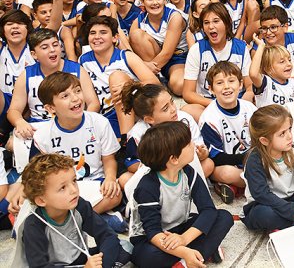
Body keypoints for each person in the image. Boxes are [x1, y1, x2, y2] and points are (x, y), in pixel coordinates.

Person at [130, 121, 233, 267]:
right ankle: (202, 252)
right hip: (151, 239)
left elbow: (208, 210)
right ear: (174, 159)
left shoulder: (188, 172)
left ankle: (185, 262)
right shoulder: (147, 187)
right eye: (188, 143)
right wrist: (183, 251)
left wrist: (184, 239)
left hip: (180, 228)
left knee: (224, 217)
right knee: (146, 257)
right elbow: (152, 232)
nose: (193, 144)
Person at [29, 72, 123, 222]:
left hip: (95, 182)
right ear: (51, 108)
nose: (75, 98)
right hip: (63, 187)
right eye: (65, 96)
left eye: (77, 90)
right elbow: (38, 174)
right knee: (40, 201)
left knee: (115, 195)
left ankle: (73, 221)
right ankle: (95, 219)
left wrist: (110, 178)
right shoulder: (42, 136)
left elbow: (109, 159)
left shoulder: (99, 122)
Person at [19, 154, 131, 268]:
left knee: (125, 245)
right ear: (41, 200)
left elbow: (107, 235)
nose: (74, 190)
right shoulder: (34, 225)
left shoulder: (79, 205)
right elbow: (39, 266)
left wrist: (101, 264)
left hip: (82, 258)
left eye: (74, 181)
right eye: (62, 188)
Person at [198, 61, 257, 204]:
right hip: (227, 163)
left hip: (252, 159)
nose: (226, 87)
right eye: (219, 83)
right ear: (211, 89)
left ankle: (235, 187)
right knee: (226, 173)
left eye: (231, 81)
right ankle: (242, 184)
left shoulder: (249, 108)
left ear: (241, 84)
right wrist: (243, 159)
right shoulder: (209, 118)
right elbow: (216, 157)